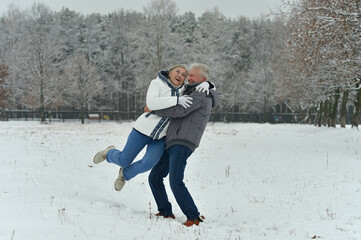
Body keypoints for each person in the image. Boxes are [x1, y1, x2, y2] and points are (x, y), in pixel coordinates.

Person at [93, 65, 211, 191]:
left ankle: (124, 175)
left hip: (160, 137)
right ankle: (109, 153)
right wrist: (176, 100)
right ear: (169, 73)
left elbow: (198, 83)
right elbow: (152, 103)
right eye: (177, 72)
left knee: (147, 164)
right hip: (143, 130)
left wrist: (208, 84)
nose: (180, 76)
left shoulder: (184, 90)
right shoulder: (157, 83)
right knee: (124, 160)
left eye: (184, 75)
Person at [148, 63, 219, 227]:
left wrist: (153, 109)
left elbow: (179, 110)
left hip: (183, 141)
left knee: (175, 180)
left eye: (193, 75)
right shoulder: (193, 90)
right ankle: (165, 211)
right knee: (155, 177)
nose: (189, 77)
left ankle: (193, 217)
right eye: (190, 74)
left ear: (203, 79)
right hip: (173, 140)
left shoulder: (200, 93)